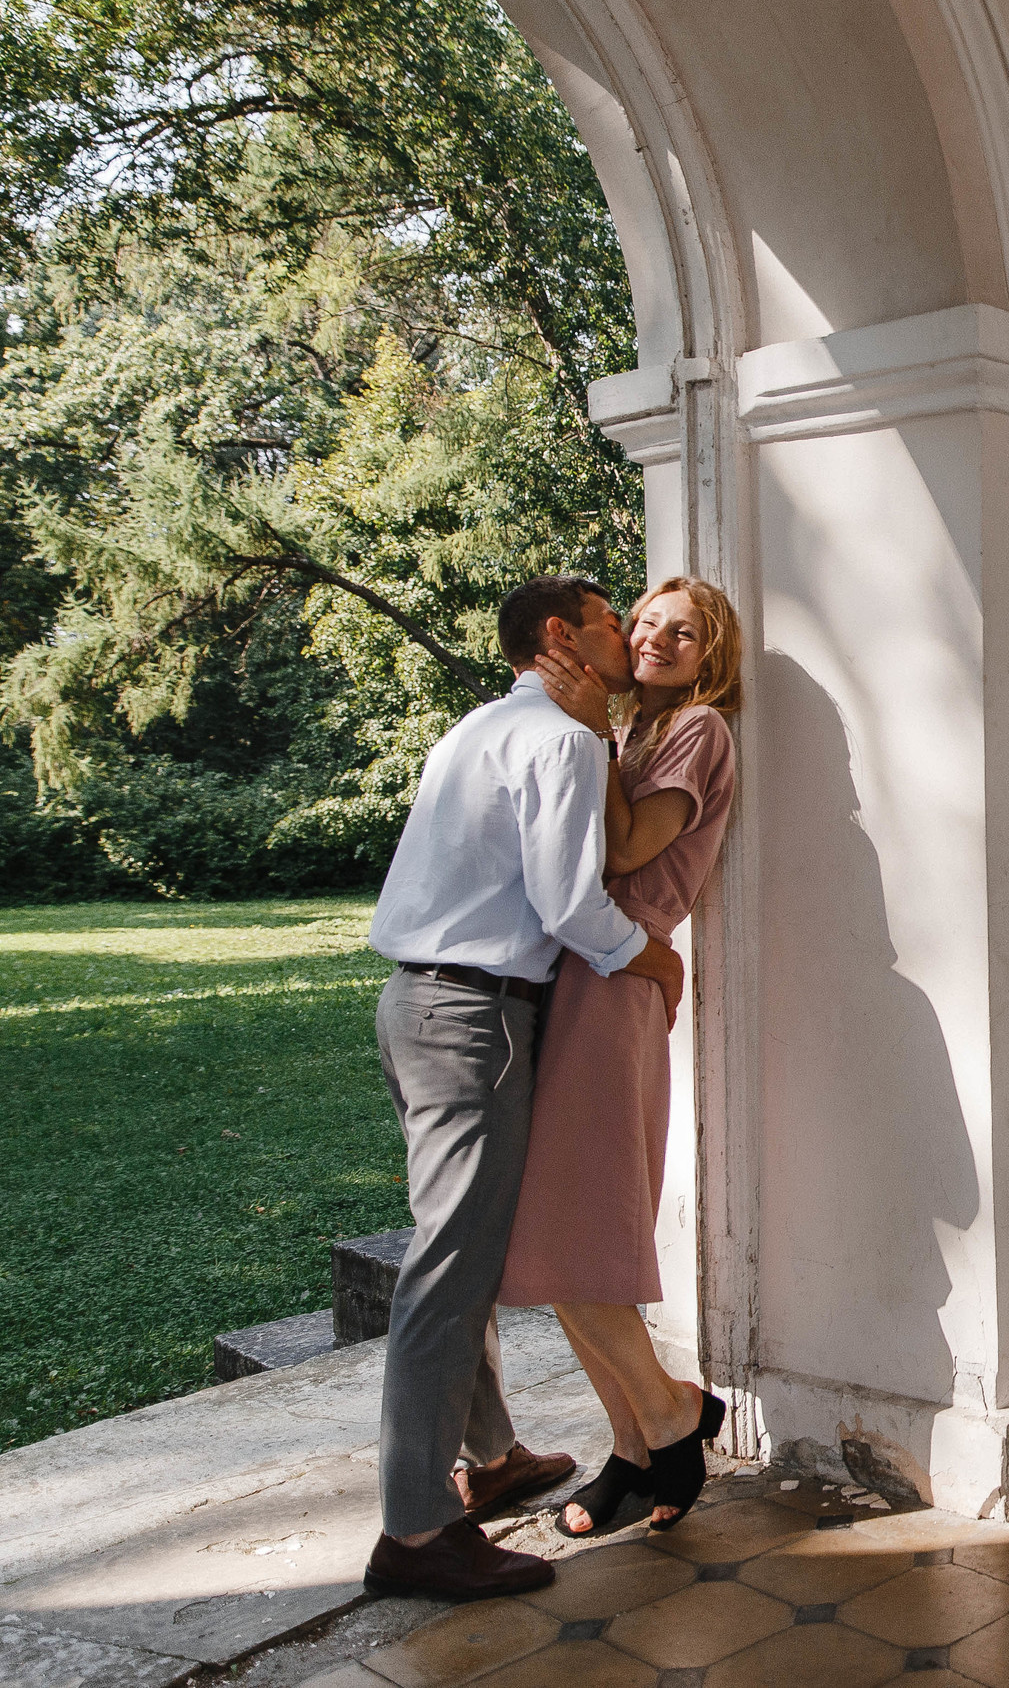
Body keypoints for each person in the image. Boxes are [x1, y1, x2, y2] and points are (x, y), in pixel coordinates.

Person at [362, 576, 686, 1601]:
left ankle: (492, 1456)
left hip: (418, 1006)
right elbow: (567, 902)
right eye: (608, 622)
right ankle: (416, 1535)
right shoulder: (561, 737)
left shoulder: (474, 728)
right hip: (477, 1019)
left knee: (466, 1250)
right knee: (449, 1273)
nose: (626, 635)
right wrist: (655, 961)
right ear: (562, 637)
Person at [497, 576, 742, 1535]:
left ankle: (673, 1417)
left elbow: (632, 847)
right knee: (563, 1235)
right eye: (643, 623)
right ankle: (637, 1444)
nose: (654, 638)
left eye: (682, 631)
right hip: (573, 966)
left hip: (619, 968)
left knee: (575, 1230)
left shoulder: (695, 731)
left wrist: (593, 733)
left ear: (710, 652)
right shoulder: (622, 730)